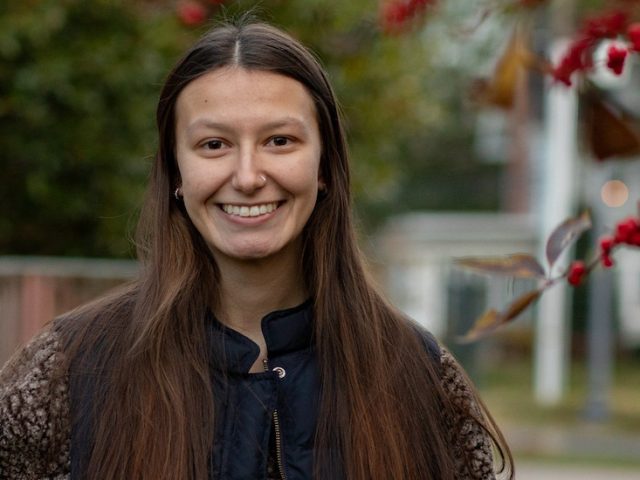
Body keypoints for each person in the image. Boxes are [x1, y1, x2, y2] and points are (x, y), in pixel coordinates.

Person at [0, 19, 513, 480]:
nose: (247, 177)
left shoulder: (417, 376)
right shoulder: (71, 368)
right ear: (176, 173)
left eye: (280, 141)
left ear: (326, 166)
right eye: (214, 145)